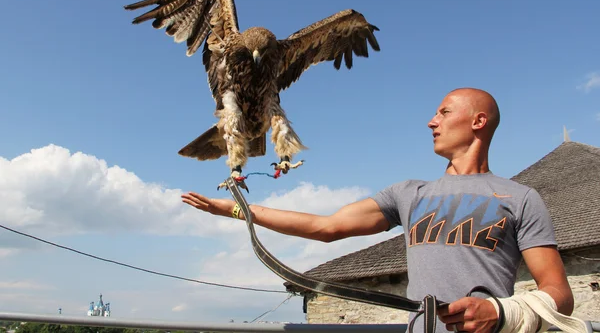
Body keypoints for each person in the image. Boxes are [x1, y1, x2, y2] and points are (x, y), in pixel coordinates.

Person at [182, 88, 574, 333]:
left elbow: (559, 293)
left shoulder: (519, 198)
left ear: (478, 121)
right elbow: (326, 226)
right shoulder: (409, 193)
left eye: (444, 112)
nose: (431, 121)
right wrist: (238, 211)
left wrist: (499, 312)